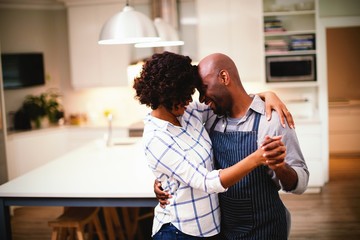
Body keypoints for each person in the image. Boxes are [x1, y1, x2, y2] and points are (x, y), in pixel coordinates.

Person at [133, 51, 291, 239]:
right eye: (185, 94)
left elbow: (231, 98)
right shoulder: (156, 138)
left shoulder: (188, 114)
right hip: (180, 232)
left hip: (212, 230)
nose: (191, 100)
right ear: (167, 94)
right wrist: (257, 157)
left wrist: (267, 95)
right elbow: (206, 181)